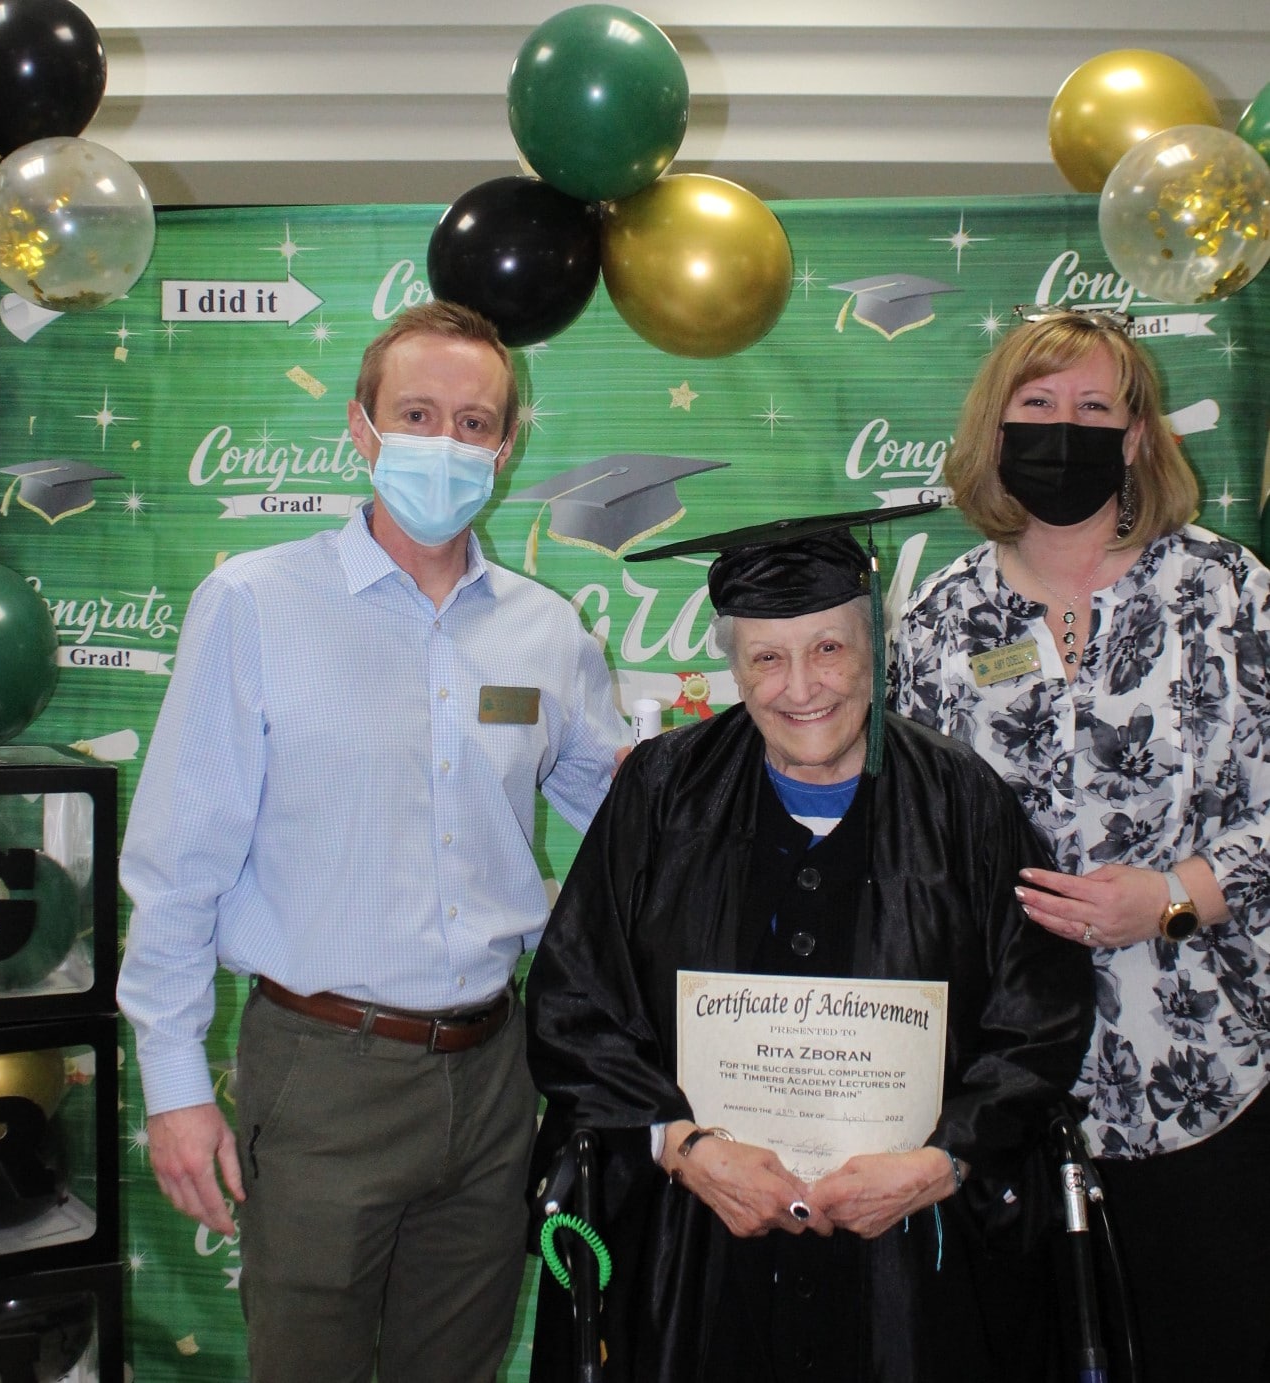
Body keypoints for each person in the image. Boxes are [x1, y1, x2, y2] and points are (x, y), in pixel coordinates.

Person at [118, 300, 629, 1383]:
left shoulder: (547, 633)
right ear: (361, 427)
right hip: (321, 1075)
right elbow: (177, 866)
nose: (446, 443)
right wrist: (172, 1084)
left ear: (506, 443)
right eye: (418, 413)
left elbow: (625, 820)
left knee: (461, 1367)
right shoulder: (254, 603)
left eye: (475, 422)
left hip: (496, 1075)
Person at [525, 504, 1094, 1382]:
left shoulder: (961, 802)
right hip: (700, 1248)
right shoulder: (661, 795)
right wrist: (682, 1145)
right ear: (734, 667)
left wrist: (943, 1160)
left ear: (873, 645)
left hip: (910, 1253)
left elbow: (1039, 1011)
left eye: (827, 648)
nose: (802, 686)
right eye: (767, 657)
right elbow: (574, 1002)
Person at [890, 307, 1270, 1383]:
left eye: (1096, 407)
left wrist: (1175, 896)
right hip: (1006, 1084)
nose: (1067, 427)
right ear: (994, 430)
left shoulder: (1226, 591)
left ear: (1140, 436)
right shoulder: (938, 620)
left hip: (1208, 1067)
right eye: (1039, 405)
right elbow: (918, 849)